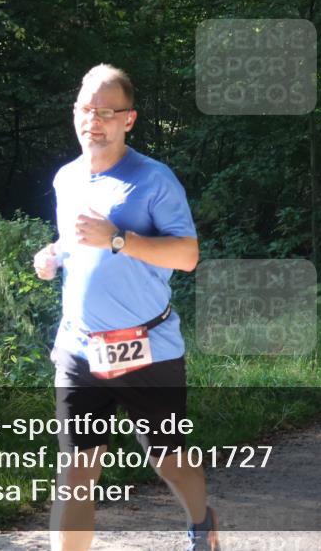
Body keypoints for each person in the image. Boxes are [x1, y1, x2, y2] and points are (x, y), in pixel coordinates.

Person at [34, 64, 220, 551]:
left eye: (106, 112)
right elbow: (75, 240)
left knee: (168, 459)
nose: (93, 120)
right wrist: (54, 255)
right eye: (85, 109)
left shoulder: (154, 179)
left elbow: (187, 256)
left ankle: (202, 524)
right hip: (79, 348)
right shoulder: (66, 178)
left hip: (147, 346)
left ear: (128, 120)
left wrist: (118, 239)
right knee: (76, 470)